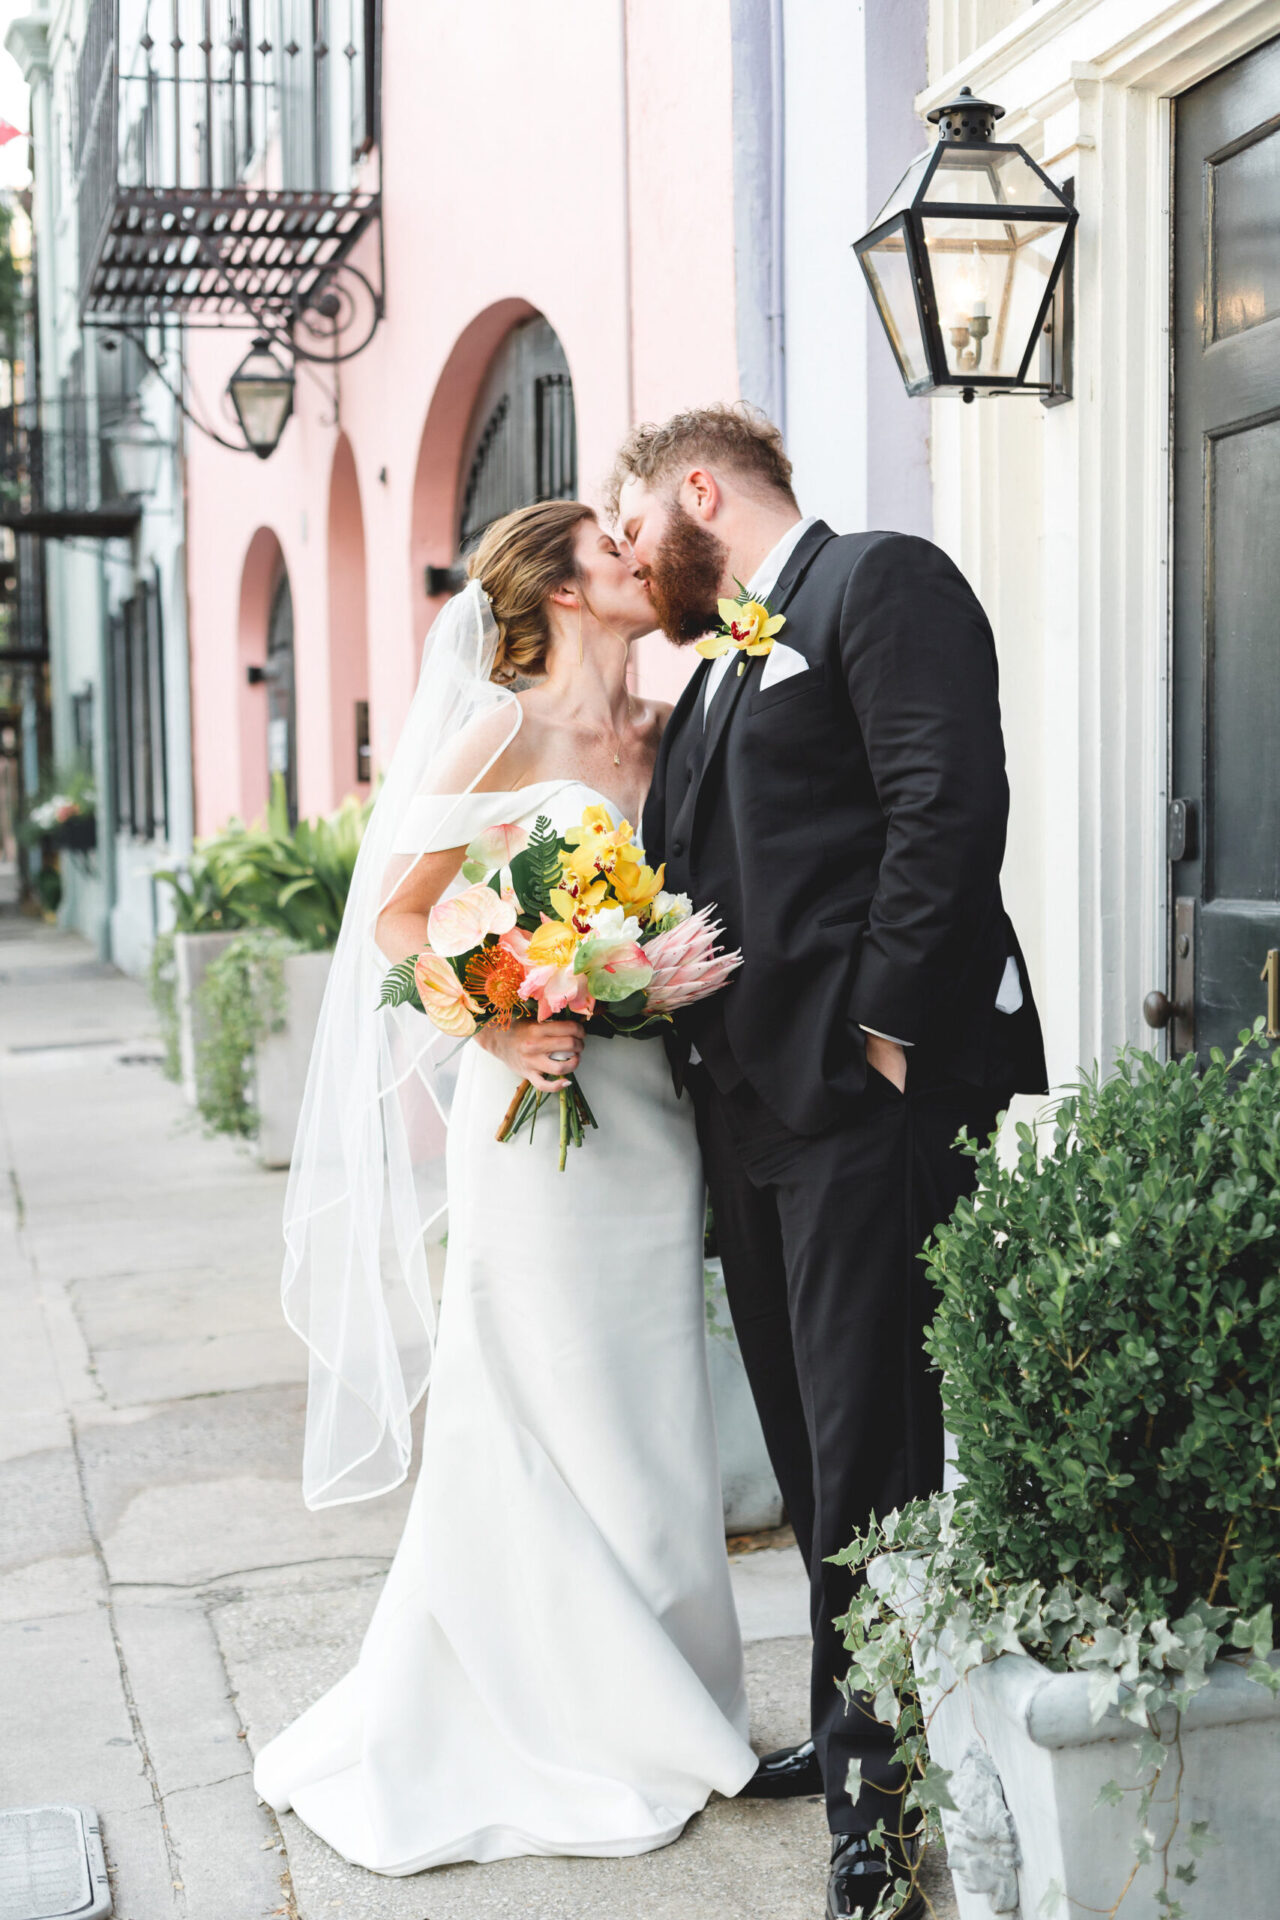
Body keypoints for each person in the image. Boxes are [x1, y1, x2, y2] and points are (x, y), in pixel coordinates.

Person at [253, 500, 759, 1872]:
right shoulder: (496, 726)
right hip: (530, 1107)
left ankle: (675, 1703)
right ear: (556, 586)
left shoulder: (668, 734)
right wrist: (495, 1016)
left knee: (648, 1401)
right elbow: (401, 921)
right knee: (540, 1395)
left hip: (648, 1115)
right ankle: (558, 1712)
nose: (631, 554)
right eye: (605, 542)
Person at [612, 405, 1048, 1920]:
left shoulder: (878, 583)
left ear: (702, 489)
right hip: (749, 1121)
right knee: (812, 1457)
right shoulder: (728, 657)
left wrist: (881, 1036)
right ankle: (863, 1717)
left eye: (635, 518)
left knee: (874, 1452)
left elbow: (951, 809)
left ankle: (878, 1807)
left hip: (862, 1106)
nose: (630, 554)